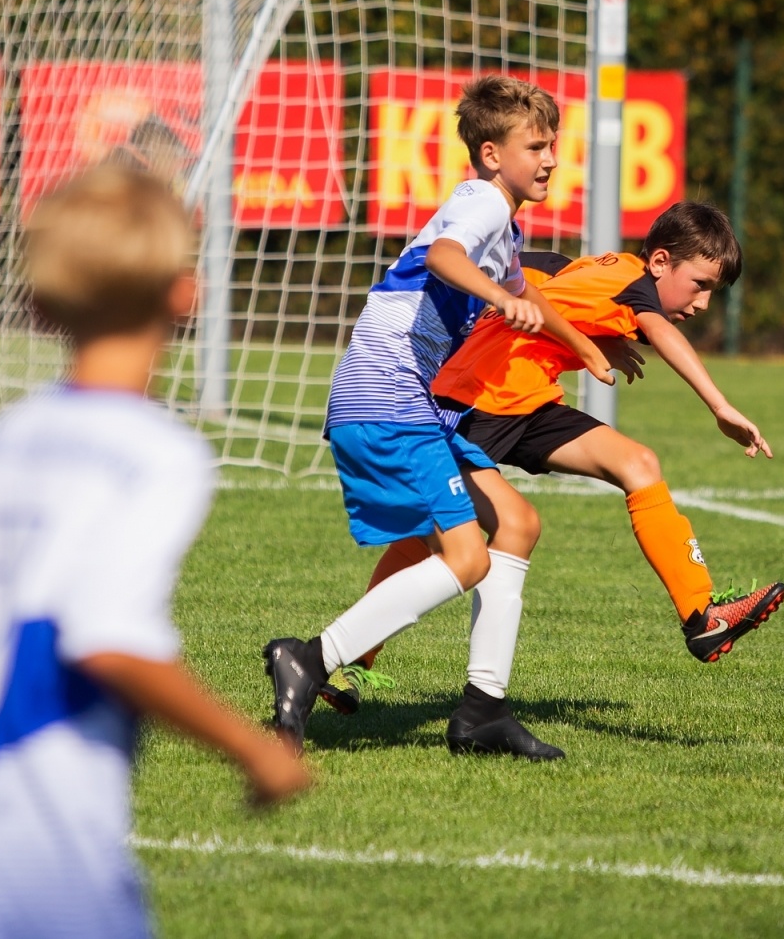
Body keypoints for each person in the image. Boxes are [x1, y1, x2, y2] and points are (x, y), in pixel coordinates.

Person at [0, 165, 310, 939]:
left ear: (39, 307)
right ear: (184, 296)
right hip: (47, 834)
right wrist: (251, 749)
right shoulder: (159, 453)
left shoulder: (4, 436)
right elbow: (108, 639)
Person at [262, 75, 617, 762]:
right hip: (389, 393)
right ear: (491, 154)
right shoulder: (480, 201)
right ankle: (310, 657)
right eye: (536, 146)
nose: (550, 160)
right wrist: (494, 296)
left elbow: (528, 297)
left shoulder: (503, 225)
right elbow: (446, 259)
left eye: (553, 146)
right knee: (467, 556)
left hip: (415, 401)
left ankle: (484, 711)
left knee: (517, 522)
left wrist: (585, 347)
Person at [427, 200, 784, 663]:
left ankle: (703, 618)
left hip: (531, 403)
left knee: (638, 463)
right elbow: (663, 335)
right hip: (475, 403)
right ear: (660, 262)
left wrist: (588, 337)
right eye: (700, 285)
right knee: (433, 537)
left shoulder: (600, 269)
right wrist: (720, 406)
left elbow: (534, 275)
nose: (702, 304)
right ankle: (350, 659)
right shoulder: (635, 286)